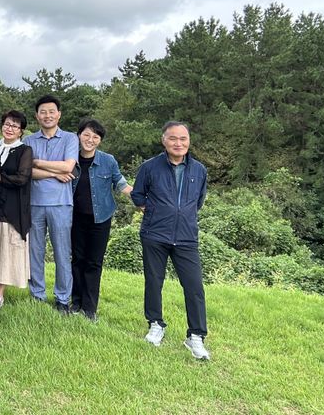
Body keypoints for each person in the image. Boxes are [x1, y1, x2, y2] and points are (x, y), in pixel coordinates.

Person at [131, 121, 210, 360]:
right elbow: (137, 195)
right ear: (164, 140)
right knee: (154, 282)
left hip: (186, 237)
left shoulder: (199, 170)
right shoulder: (149, 167)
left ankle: (195, 336)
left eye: (183, 139)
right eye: (173, 138)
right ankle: (155, 324)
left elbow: (198, 201)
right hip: (155, 234)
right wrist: (156, 211)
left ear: (189, 141)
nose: (178, 143)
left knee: (194, 287)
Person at [70, 119, 132, 321]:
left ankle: (89, 308)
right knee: (77, 260)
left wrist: (142, 199)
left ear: (100, 140)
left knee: (94, 262)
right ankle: (75, 302)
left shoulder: (108, 160)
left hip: (101, 219)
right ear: (79, 135)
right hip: (75, 218)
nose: (90, 140)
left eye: (95, 137)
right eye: (86, 135)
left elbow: (121, 184)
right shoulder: (70, 158)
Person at [23, 94, 78, 314]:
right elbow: (26, 172)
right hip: (34, 203)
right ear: (37, 116)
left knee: (62, 252)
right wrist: (54, 173)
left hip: (61, 204)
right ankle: (37, 294)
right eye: (43, 112)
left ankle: (62, 298)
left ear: (59, 114)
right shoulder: (28, 141)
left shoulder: (70, 138)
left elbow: (68, 167)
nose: (47, 115)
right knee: (35, 251)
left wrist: (37, 162)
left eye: (51, 111)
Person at [0, 110, 33, 311]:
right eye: (7, 124)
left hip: (12, 208)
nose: (10, 129)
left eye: (15, 126)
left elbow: (22, 178)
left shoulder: (24, 151)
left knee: (6, 250)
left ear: (21, 131)